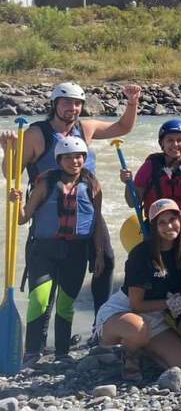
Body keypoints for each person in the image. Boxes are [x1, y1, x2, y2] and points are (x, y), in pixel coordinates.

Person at [1, 81, 141, 342]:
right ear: (54, 104)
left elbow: (123, 128)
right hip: (50, 216)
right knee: (45, 292)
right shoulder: (36, 134)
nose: (72, 108)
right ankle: (38, 344)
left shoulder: (85, 128)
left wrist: (132, 102)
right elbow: (11, 173)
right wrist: (8, 150)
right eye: (66, 102)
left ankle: (100, 330)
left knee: (106, 263)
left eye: (77, 103)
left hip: (87, 215)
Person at [9, 136, 109, 367]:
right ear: (59, 159)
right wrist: (14, 203)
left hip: (75, 252)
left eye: (79, 156)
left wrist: (100, 255)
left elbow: (96, 224)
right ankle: (32, 351)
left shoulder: (92, 185)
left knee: (65, 303)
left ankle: (62, 352)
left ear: (84, 158)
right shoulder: (45, 182)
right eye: (68, 157)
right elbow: (23, 219)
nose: (74, 161)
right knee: (39, 299)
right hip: (44, 251)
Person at [95, 199, 181, 380]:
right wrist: (170, 302)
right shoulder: (140, 255)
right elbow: (136, 304)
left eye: (173, 219)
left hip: (158, 314)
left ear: (180, 220)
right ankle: (129, 354)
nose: (169, 226)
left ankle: (146, 350)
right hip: (124, 310)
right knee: (137, 328)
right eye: (161, 223)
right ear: (153, 227)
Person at [120, 120, 181, 241]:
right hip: (160, 225)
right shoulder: (149, 167)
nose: (175, 144)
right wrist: (127, 183)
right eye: (170, 140)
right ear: (162, 144)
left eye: (180, 140)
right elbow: (132, 202)